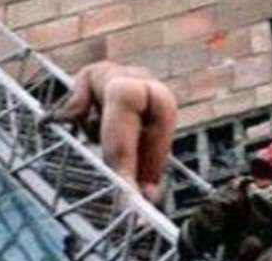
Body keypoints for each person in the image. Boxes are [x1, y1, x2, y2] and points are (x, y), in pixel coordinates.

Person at [43, 60, 178, 204]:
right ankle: (157, 214)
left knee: (123, 173)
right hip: (163, 94)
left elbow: (77, 108)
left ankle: (132, 215)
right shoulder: (132, 69)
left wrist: (51, 116)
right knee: (147, 182)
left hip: (123, 90)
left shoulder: (86, 71)